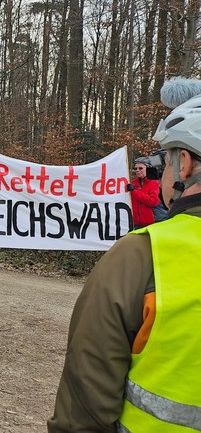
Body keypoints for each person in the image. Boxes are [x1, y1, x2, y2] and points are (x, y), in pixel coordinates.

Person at [48, 78, 201, 432]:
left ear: (184, 163)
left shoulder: (142, 256)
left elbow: (86, 396)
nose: (158, 173)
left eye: (164, 163)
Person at [127, 158, 160, 229]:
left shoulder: (154, 183)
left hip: (152, 224)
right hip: (135, 224)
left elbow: (153, 202)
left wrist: (134, 192)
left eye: (140, 168)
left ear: (148, 169)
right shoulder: (132, 183)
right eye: (135, 168)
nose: (137, 170)